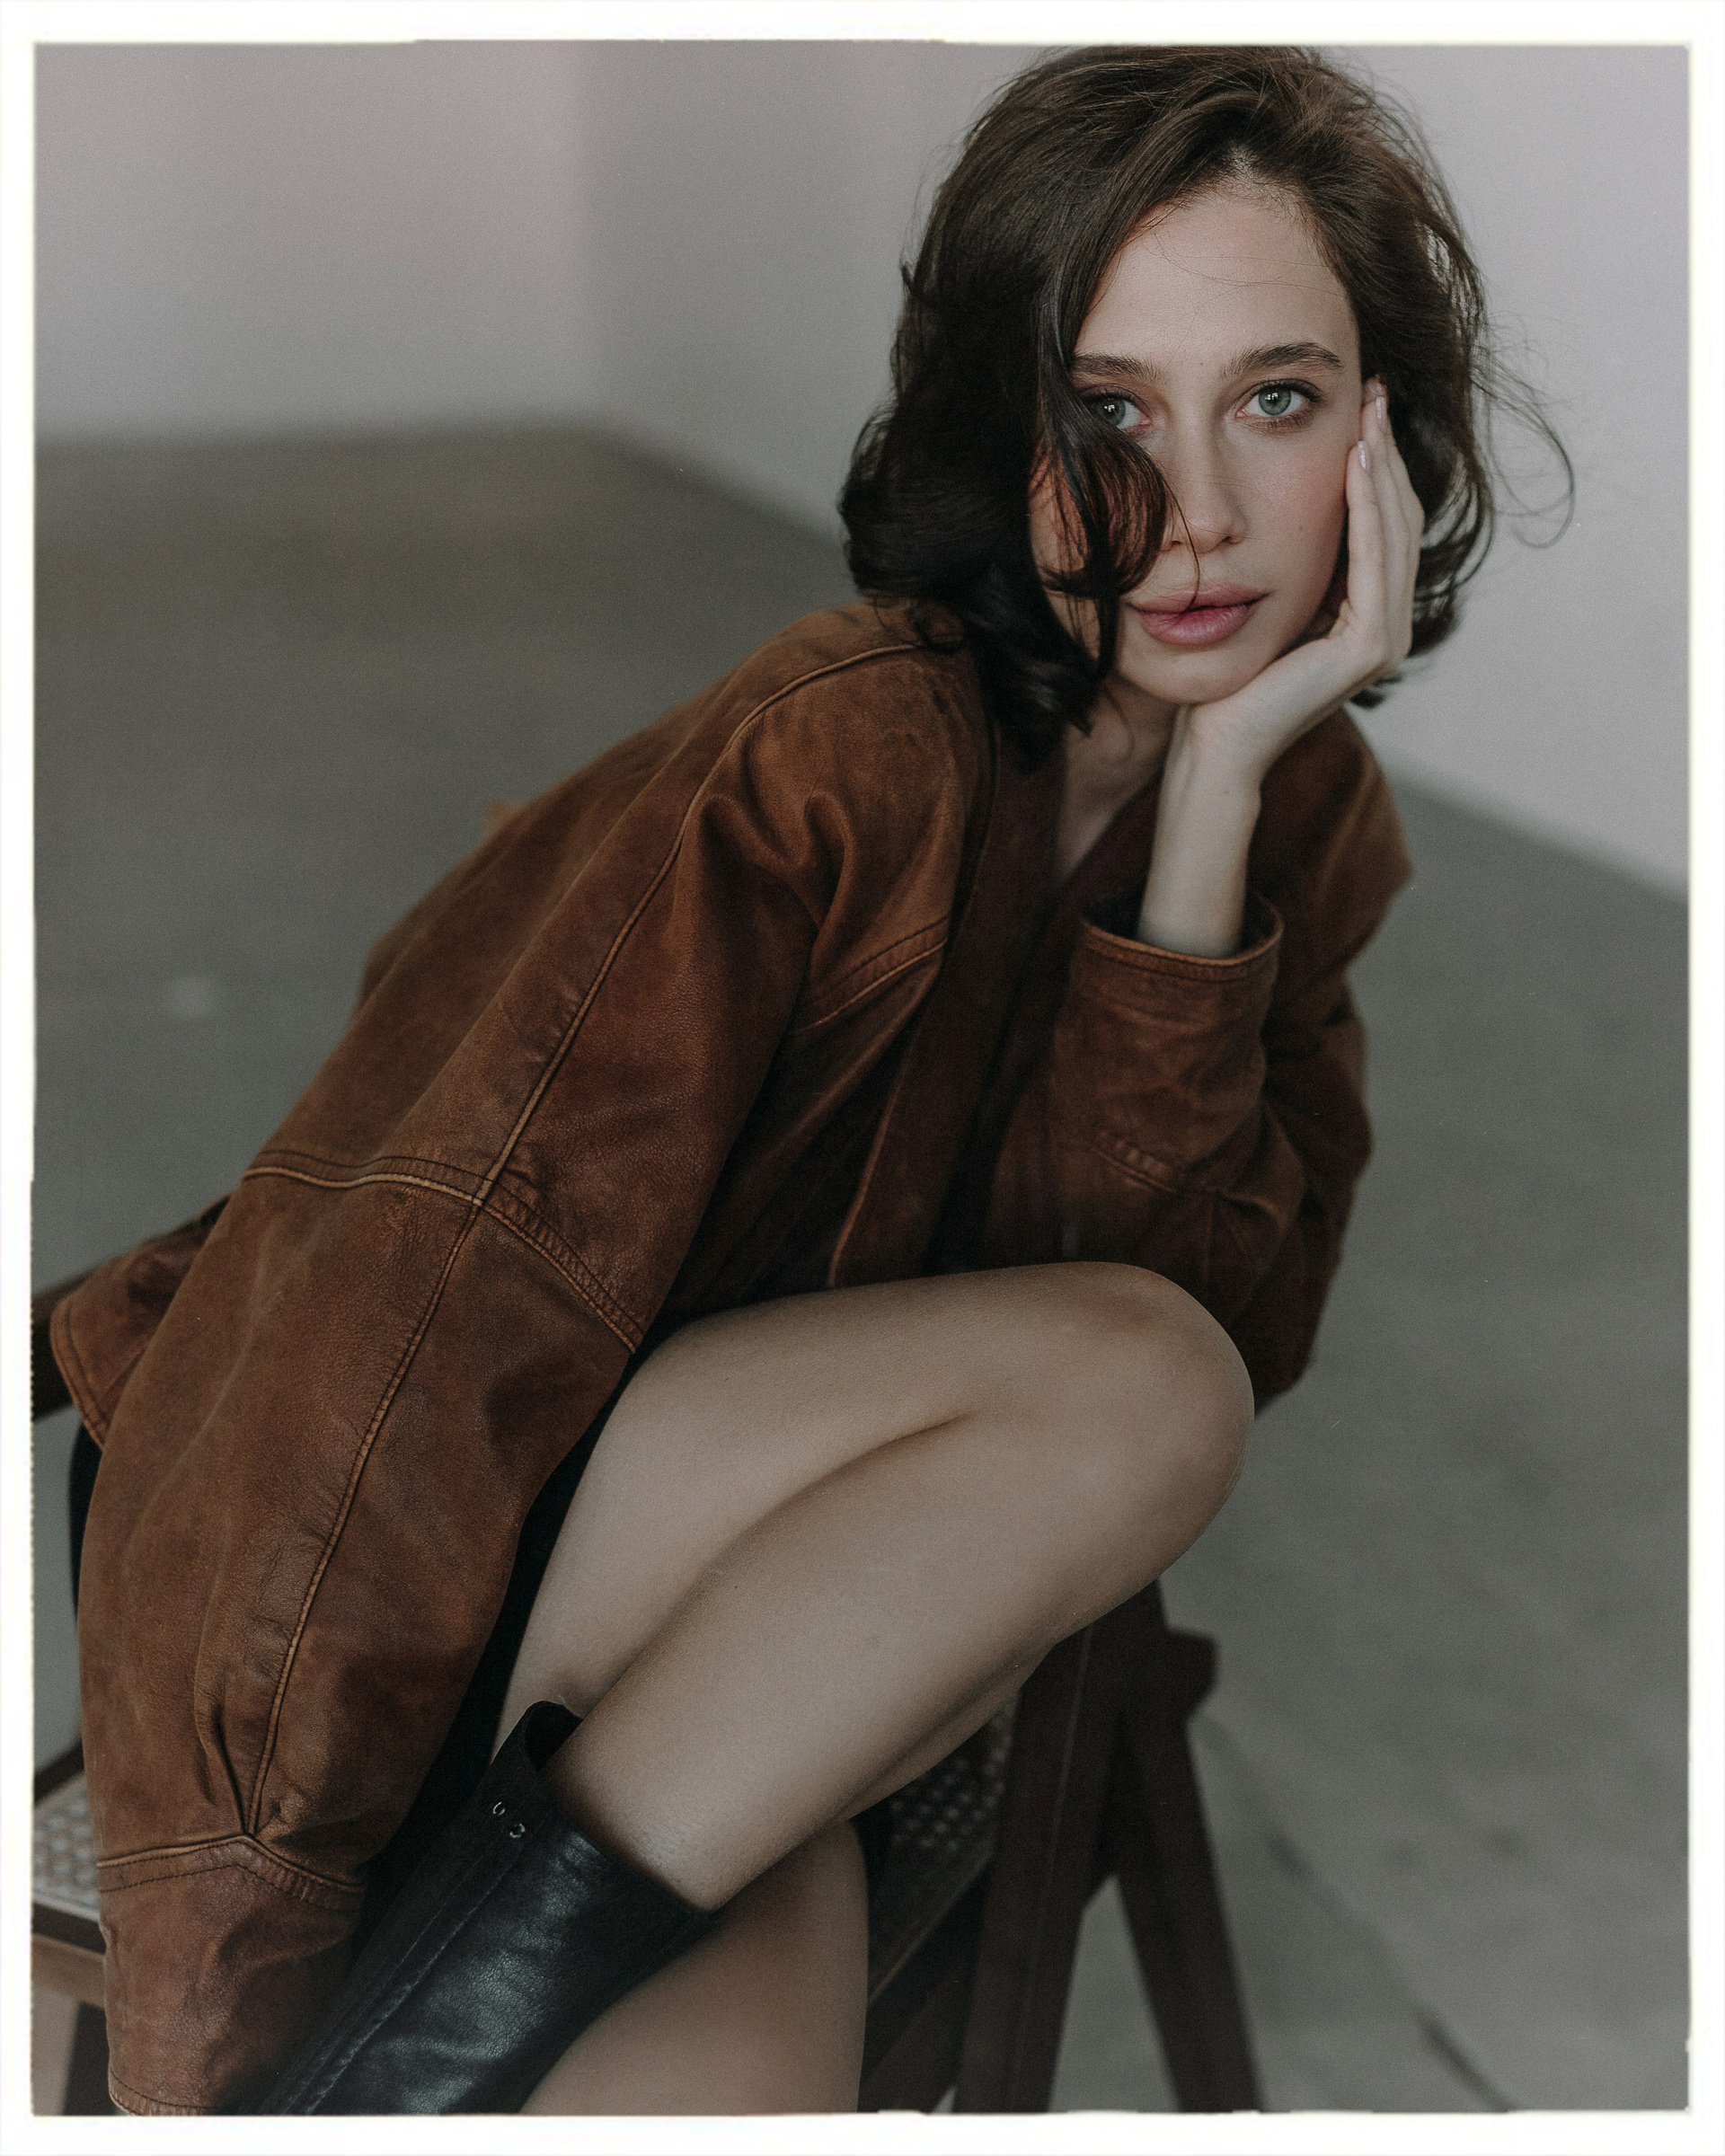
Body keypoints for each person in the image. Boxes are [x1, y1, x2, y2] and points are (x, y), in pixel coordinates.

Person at [52, 44, 1564, 2116]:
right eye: (1107, 411)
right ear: (996, 428)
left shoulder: (1308, 823)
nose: (1201, 512)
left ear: (1388, 430)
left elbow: (1189, 1336)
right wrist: (235, 1968)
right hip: (441, 1550)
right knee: (1148, 1378)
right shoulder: (839, 752)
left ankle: (389, 2088)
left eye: (1277, 401)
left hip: (755, 1653)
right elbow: (395, 1326)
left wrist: (1211, 817)